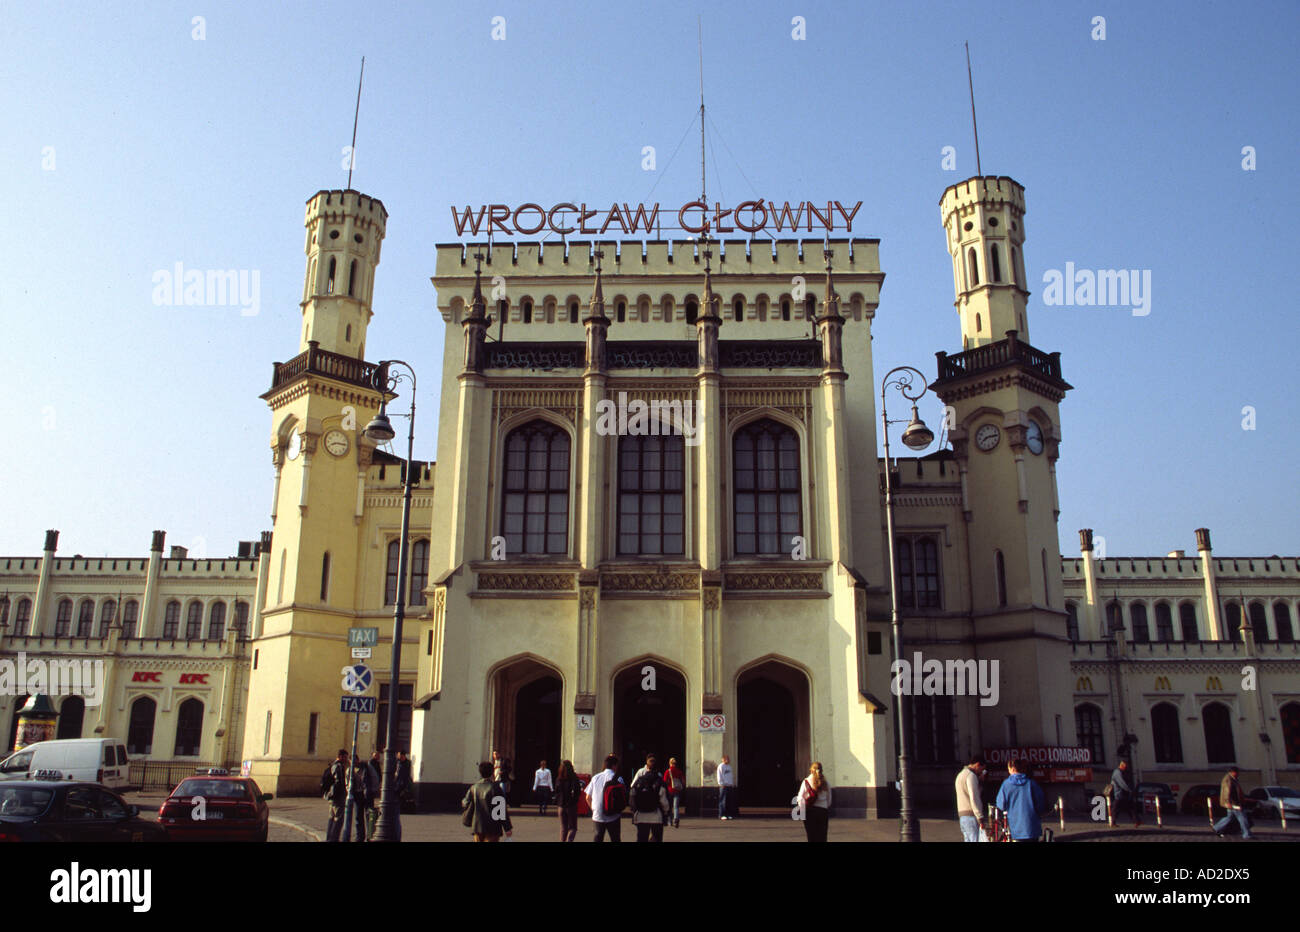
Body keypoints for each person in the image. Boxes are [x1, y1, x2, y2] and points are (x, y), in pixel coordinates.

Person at [995, 757, 1047, 842]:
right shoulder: (1031, 783)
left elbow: (1001, 805)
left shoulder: (1006, 785)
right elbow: (1040, 804)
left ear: (1012, 768)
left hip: (1016, 827)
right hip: (1033, 827)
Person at [463, 760, 513, 842]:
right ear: (492, 772)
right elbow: (501, 810)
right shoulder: (496, 788)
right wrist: (507, 828)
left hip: (477, 826)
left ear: (480, 772)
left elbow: (465, 803)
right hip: (493, 827)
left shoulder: (474, 788)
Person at [585, 753, 626, 842]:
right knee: (615, 838)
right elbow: (623, 797)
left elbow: (587, 797)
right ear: (614, 766)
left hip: (598, 814)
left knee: (598, 838)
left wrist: (593, 809)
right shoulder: (618, 779)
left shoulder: (595, 777)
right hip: (613, 814)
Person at [630, 753, 670, 842]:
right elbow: (664, 801)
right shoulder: (659, 780)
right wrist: (666, 812)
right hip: (656, 816)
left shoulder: (639, 779)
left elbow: (632, 793)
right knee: (656, 838)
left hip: (641, 816)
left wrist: (634, 810)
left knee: (641, 839)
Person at [1212, 765, 1253, 839]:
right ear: (1233, 772)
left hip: (1233, 803)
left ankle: (1216, 827)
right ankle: (1246, 834)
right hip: (1234, 803)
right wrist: (1227, 802)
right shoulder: (1229, 780)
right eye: (1237, 772)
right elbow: (1227, 792)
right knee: (1243, 818)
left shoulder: (1232, 779)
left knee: (1229, 817)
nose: (1238, 774)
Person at [798, 762, 832, 842]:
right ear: (822, 770)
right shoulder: (826, 783)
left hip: (810, 811)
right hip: (823, 811)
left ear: (811, 770)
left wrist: (802, 808)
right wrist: (825, 806)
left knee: (811, 836)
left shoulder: (806, 782)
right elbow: (829, 799)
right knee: (822, 836)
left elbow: (800, 798)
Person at [955, 755, 986, 842]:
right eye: (982, 769)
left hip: (962, 816)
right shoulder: (971, 776)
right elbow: (974, 797)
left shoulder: (960, 775)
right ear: (977, 764)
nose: (981, 772)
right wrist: (980, 817)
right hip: (971, 816)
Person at [321, 749, 350, 842]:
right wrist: (342, 793)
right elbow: (338, 782)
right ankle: (334, 839)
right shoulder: (339, 766)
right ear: (340, 756)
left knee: (331, 818)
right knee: (338, 819)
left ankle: (329, 838)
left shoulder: (333, 765)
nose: (346, 759)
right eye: (345, 757)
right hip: (337, 797)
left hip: (331, 796)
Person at [554, 760, 583, 842]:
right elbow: (578, 792)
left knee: (563, 828)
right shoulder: (574, 778)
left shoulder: (559, 778)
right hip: (571, 806)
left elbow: (556, 792)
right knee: (573, 828)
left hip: (561, 806)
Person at [1109, 759, 1140, 827]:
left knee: (1128, 808)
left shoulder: (1121, 772)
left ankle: (1137, 821)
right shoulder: (1117, 773)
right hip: (1119, 794)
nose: (1126, 768)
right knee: (1116, 809)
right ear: (1122, 765)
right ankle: (1113, 822)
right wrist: (1129, 790)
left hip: (1123, 794)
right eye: (1125, 767)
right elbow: (1122, 783)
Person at [363, 751, 383, 839]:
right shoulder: (371, 764)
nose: (377, 757)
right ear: (372, 756)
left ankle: (370, 831)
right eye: (376, 755)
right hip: (369, 790)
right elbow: (374, 776)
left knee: (370, 810)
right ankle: (369, 831)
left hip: (371, 789)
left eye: (378, 755)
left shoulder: (376, 763)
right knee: (369, 810)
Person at [663, 756, 685, 828]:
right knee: (676, 806)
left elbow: (664, 781)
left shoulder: (667, 771)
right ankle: (676, 819)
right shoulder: (679, 771)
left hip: (670, 790)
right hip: (677, 790)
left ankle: (670, 821)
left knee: (669, 806)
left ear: (670, 763)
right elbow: (683, 781)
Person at [716, 755, 736, 820]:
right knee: (723, 801)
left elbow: (731, 776)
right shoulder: (721, 766)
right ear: (723, 759)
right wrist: (721, 783)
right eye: (726, 759)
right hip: (723, 786)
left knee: (729, 801)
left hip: (729, 785)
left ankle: (728, 814)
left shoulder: (729, 767)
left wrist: (731, 783)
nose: (728, 760)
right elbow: (719, 775)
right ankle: (722, 815)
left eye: (728, 759)